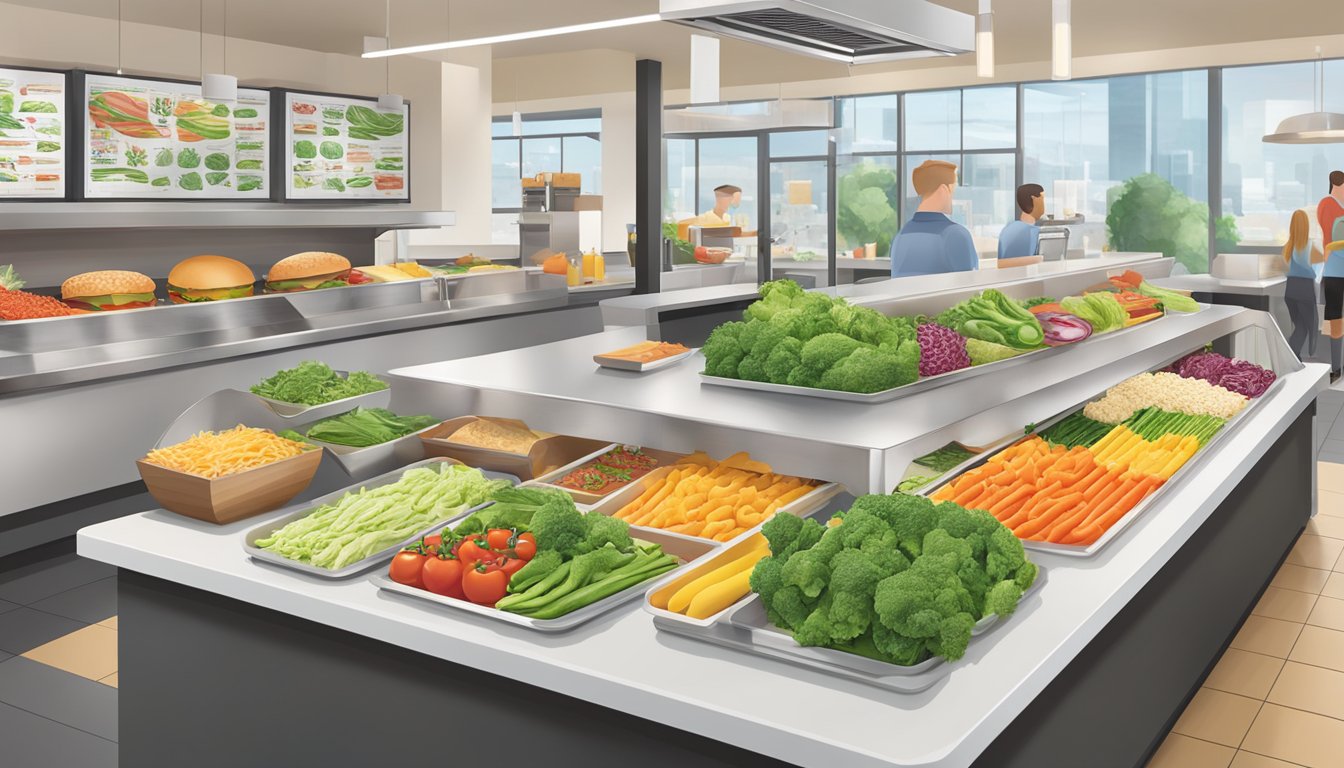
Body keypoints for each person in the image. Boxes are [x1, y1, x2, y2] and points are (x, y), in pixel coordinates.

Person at [889, 160, 979, 278]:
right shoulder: (956, 235)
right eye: (953, 189)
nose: (954, 197)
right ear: (943, 190)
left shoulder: (901, 236)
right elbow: (970, 286)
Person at [1281, 209, 1325, 362]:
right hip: (1304, 290)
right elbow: (1322, 257)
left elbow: (1285, 266)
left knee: (1299, 325)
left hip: (1290, 290)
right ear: (1306, 226)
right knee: (1305, 327)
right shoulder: (1310, 245)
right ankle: (1289, 357)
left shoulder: (1288, 245)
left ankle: (1293, 357)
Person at [1320, 171, 1344, 380]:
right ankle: (1335, 367)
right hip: (1335, 272)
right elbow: (1330, 243)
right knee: (1335, 319)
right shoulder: (1328, 205)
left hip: (1337, 270)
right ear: (1338, 185)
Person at [997, 184, 1045, 267]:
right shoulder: (1034, 232)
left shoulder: (1008, 228)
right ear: (1034, 200)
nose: (1044, 204)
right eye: (1042, 199)